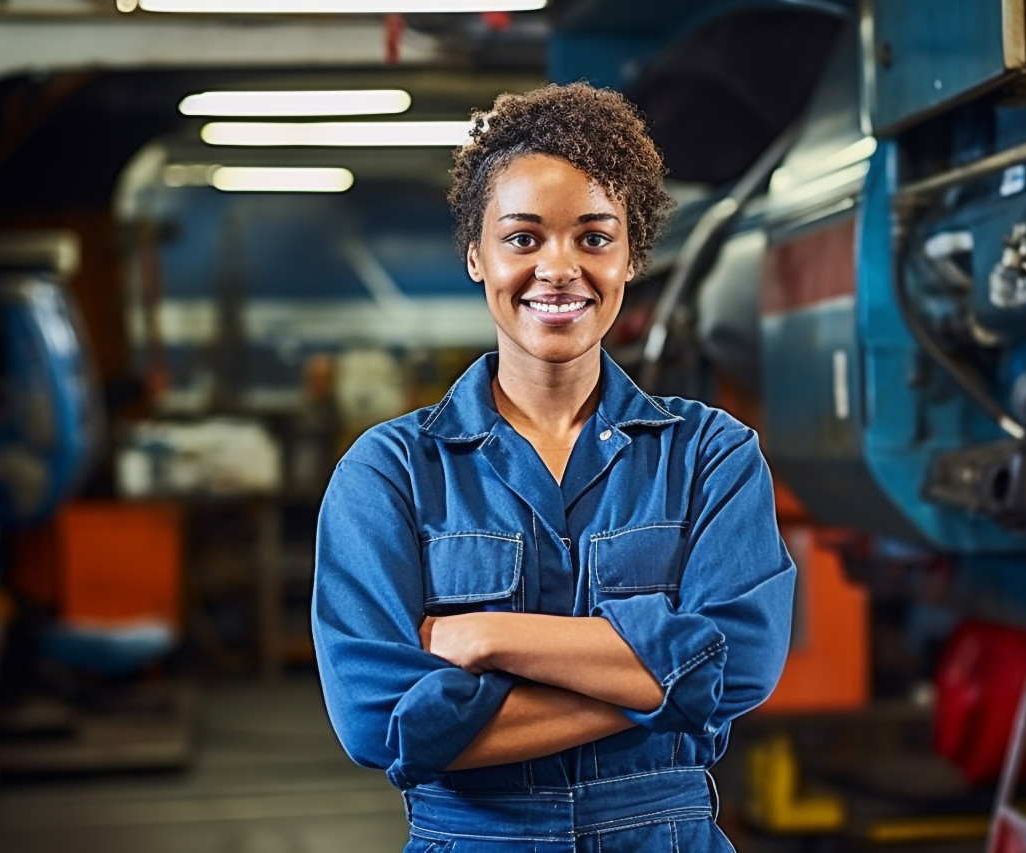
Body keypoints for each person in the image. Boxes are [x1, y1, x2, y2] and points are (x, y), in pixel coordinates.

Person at [312, 82, 796, 852]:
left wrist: (492, 637)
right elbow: (379, 720)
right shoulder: (390, 474)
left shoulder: (711, 454)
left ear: (632, 254)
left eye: (594, 237)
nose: (559, 267)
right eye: (524, 237)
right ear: (477, 253)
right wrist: (665, 686)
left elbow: (740, 664)